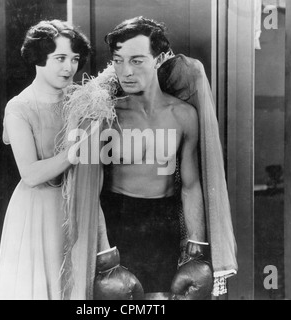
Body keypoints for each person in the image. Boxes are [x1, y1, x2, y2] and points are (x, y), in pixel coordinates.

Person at [97, 17, 237, 299]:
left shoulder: (184, 115)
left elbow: (191, 184)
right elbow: (89, 191)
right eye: (118, 60)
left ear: (159, 59)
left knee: (159, 300)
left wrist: (197, 250)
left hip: (163, 222)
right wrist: (103, 252)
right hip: (116, 219)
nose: (126, 71)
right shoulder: (105, 115)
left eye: (137, 60)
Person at [0, 20, 109, 300]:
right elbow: (31, 174)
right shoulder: (19, 107)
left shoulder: (81, 100)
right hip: (37, 214)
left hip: (77, 208)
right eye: (60, 58)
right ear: (38, 59)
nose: (69, 68)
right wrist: (72, 154)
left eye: (74, 59)